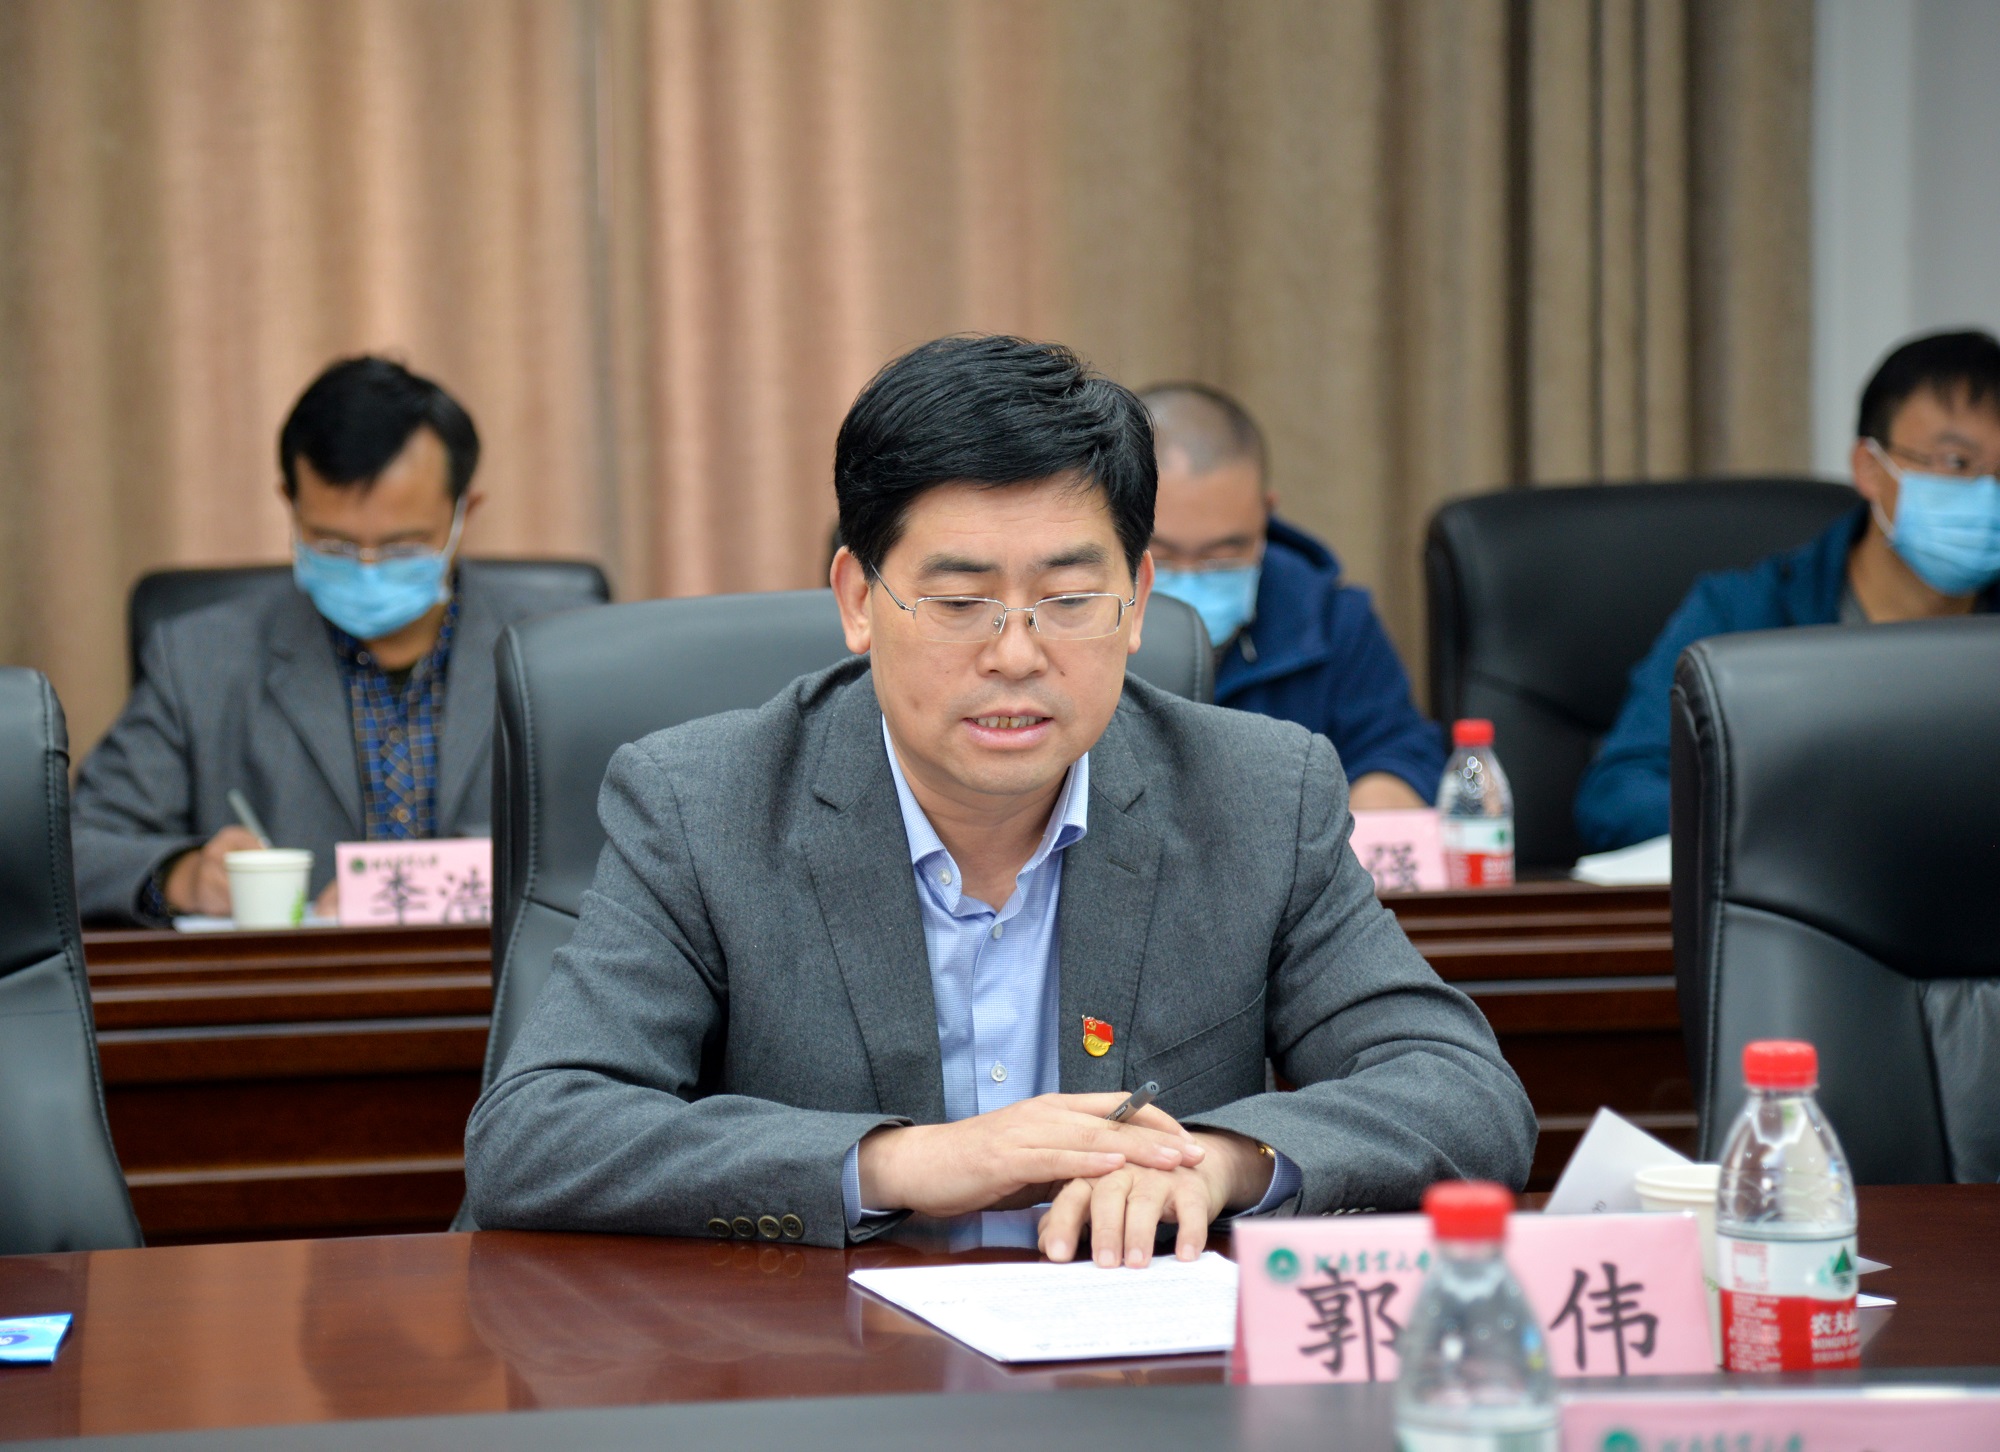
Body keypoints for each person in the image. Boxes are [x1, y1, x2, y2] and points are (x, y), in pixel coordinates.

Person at [465, 335, 1534, 1263]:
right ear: (858, 600)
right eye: (960, 600)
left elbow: (1464, 1094)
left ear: (1137, 602)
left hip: (1132, 1376)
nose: (1016, 654)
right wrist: (901, 1162)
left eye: (1067, 599)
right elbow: (539, 1133)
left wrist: (1221, 1161)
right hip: (830, 1371)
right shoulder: (706, 804)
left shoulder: (1257, 794)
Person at [72, 356, 595, 924]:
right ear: (291, 505)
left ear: (464, 513)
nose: (367, 568)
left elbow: (629, 835)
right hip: (290, 979)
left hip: (518, 977)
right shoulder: (198, 659)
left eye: (402, 546)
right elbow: (73, 849)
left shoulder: (564, 651)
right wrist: (181, 875)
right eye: (334, 546)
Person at [1576, 329, 2000, 851]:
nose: (1987, 494)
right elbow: (1616, 796)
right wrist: (1784, 828)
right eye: (1957, 463)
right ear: (1870, 468)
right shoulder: (1741, 617)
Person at [1139, 383, 1444, 810]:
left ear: (1266, 512)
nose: (1190, 578)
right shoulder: (1070, 620)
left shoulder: (1329, 621)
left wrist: (1378, 800)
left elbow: (1399, 751)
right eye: (1160, 556)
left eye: (1221, 556)